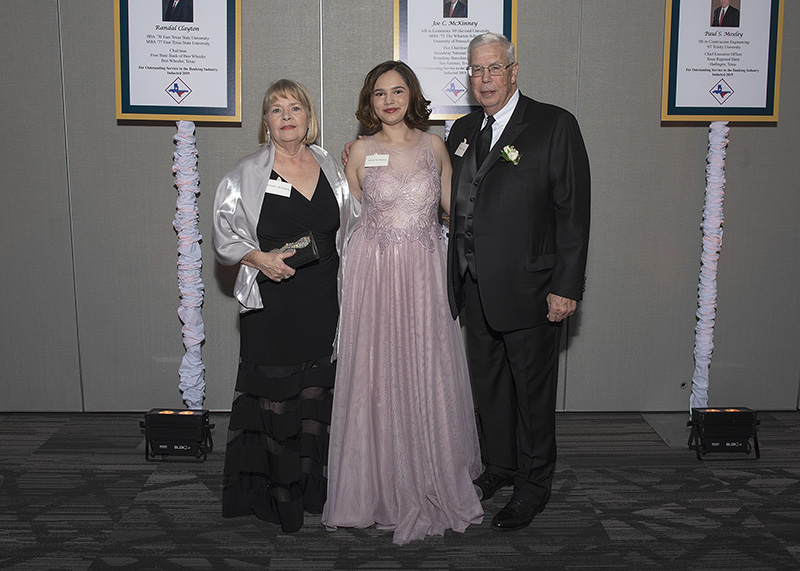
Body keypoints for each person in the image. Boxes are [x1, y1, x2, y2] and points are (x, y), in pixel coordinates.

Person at [322, 61, 484, 545]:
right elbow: (346, 220)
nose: (389, 101)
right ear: (369, 102)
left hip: (424, 274)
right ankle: (375, 484)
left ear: (411, 95)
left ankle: (433, 471)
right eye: (379, 93)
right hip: (375, 277)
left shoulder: (434, 146)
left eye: (397, 91)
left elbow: (458, 209)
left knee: (426, 367)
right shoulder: (358, 151)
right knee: (377, 371)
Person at [446, 33, 590, 531]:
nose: (485, 78)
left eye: (494, 68)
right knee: (489, 390)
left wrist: (567, 286)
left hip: (532, 290)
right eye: (476, 70)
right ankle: (500, 467)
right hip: (474, 286)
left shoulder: (553, 124)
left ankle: (533, 486)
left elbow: (573, 212)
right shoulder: (463, 129)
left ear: (513, 71)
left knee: (532, 396)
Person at [212, 79, 356, 534]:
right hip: (273, 305)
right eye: (277, 109)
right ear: (266, 122)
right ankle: (280, 500)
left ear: (309, 118)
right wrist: (258, 258)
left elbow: (354, 226)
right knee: (276, 403)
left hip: (324, 302)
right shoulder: (245, 174)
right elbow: (223, 237)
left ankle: (314, 492)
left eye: (295, 107)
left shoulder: (332, 166)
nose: (287, 116)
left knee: (315, 399)